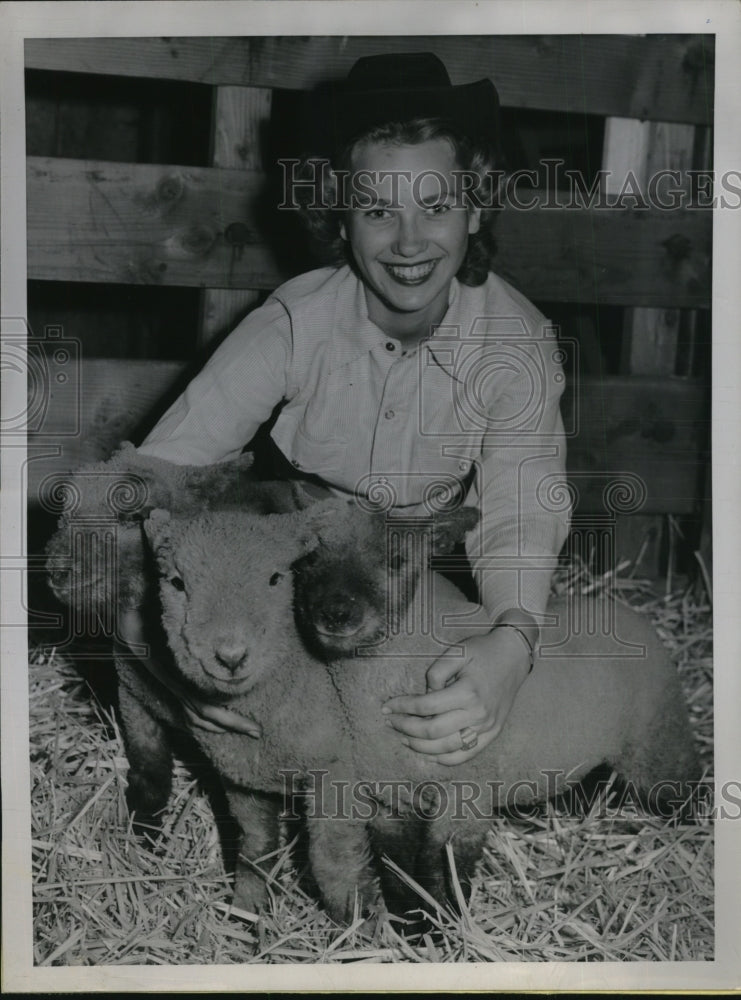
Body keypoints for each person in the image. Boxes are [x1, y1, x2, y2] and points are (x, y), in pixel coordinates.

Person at [124, 52, 570, 765]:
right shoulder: (291, 325)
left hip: (418, 568)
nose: (409, 243)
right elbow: (156, 484)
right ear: (339, 213)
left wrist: (512, 644)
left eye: (436, 206)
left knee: (451, 722)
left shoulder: (517, 343)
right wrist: (168, 657)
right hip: (297, 555)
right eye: (376, 210)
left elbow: (520, 508)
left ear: (476, 205)